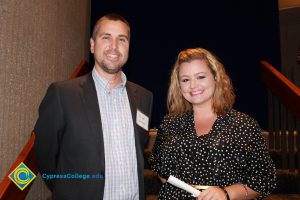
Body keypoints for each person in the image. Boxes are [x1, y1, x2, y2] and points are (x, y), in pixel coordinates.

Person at [34, 13, 153, 200]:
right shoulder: (63, 94)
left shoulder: (144, 98)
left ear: (129, 46)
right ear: (92, 44)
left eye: (122, 39)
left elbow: (140, 146)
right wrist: (68, 188)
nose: (114, 46)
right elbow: (44, 154)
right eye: (106, 37)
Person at [149, 48, 277, 200]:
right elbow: (157, 166)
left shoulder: (244, 124)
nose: (193, 85)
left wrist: (226, 193)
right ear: (179, 85)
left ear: (216, 77)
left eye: (200, 77)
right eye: (185, 80)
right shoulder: (169, 122)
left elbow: (265, 179)